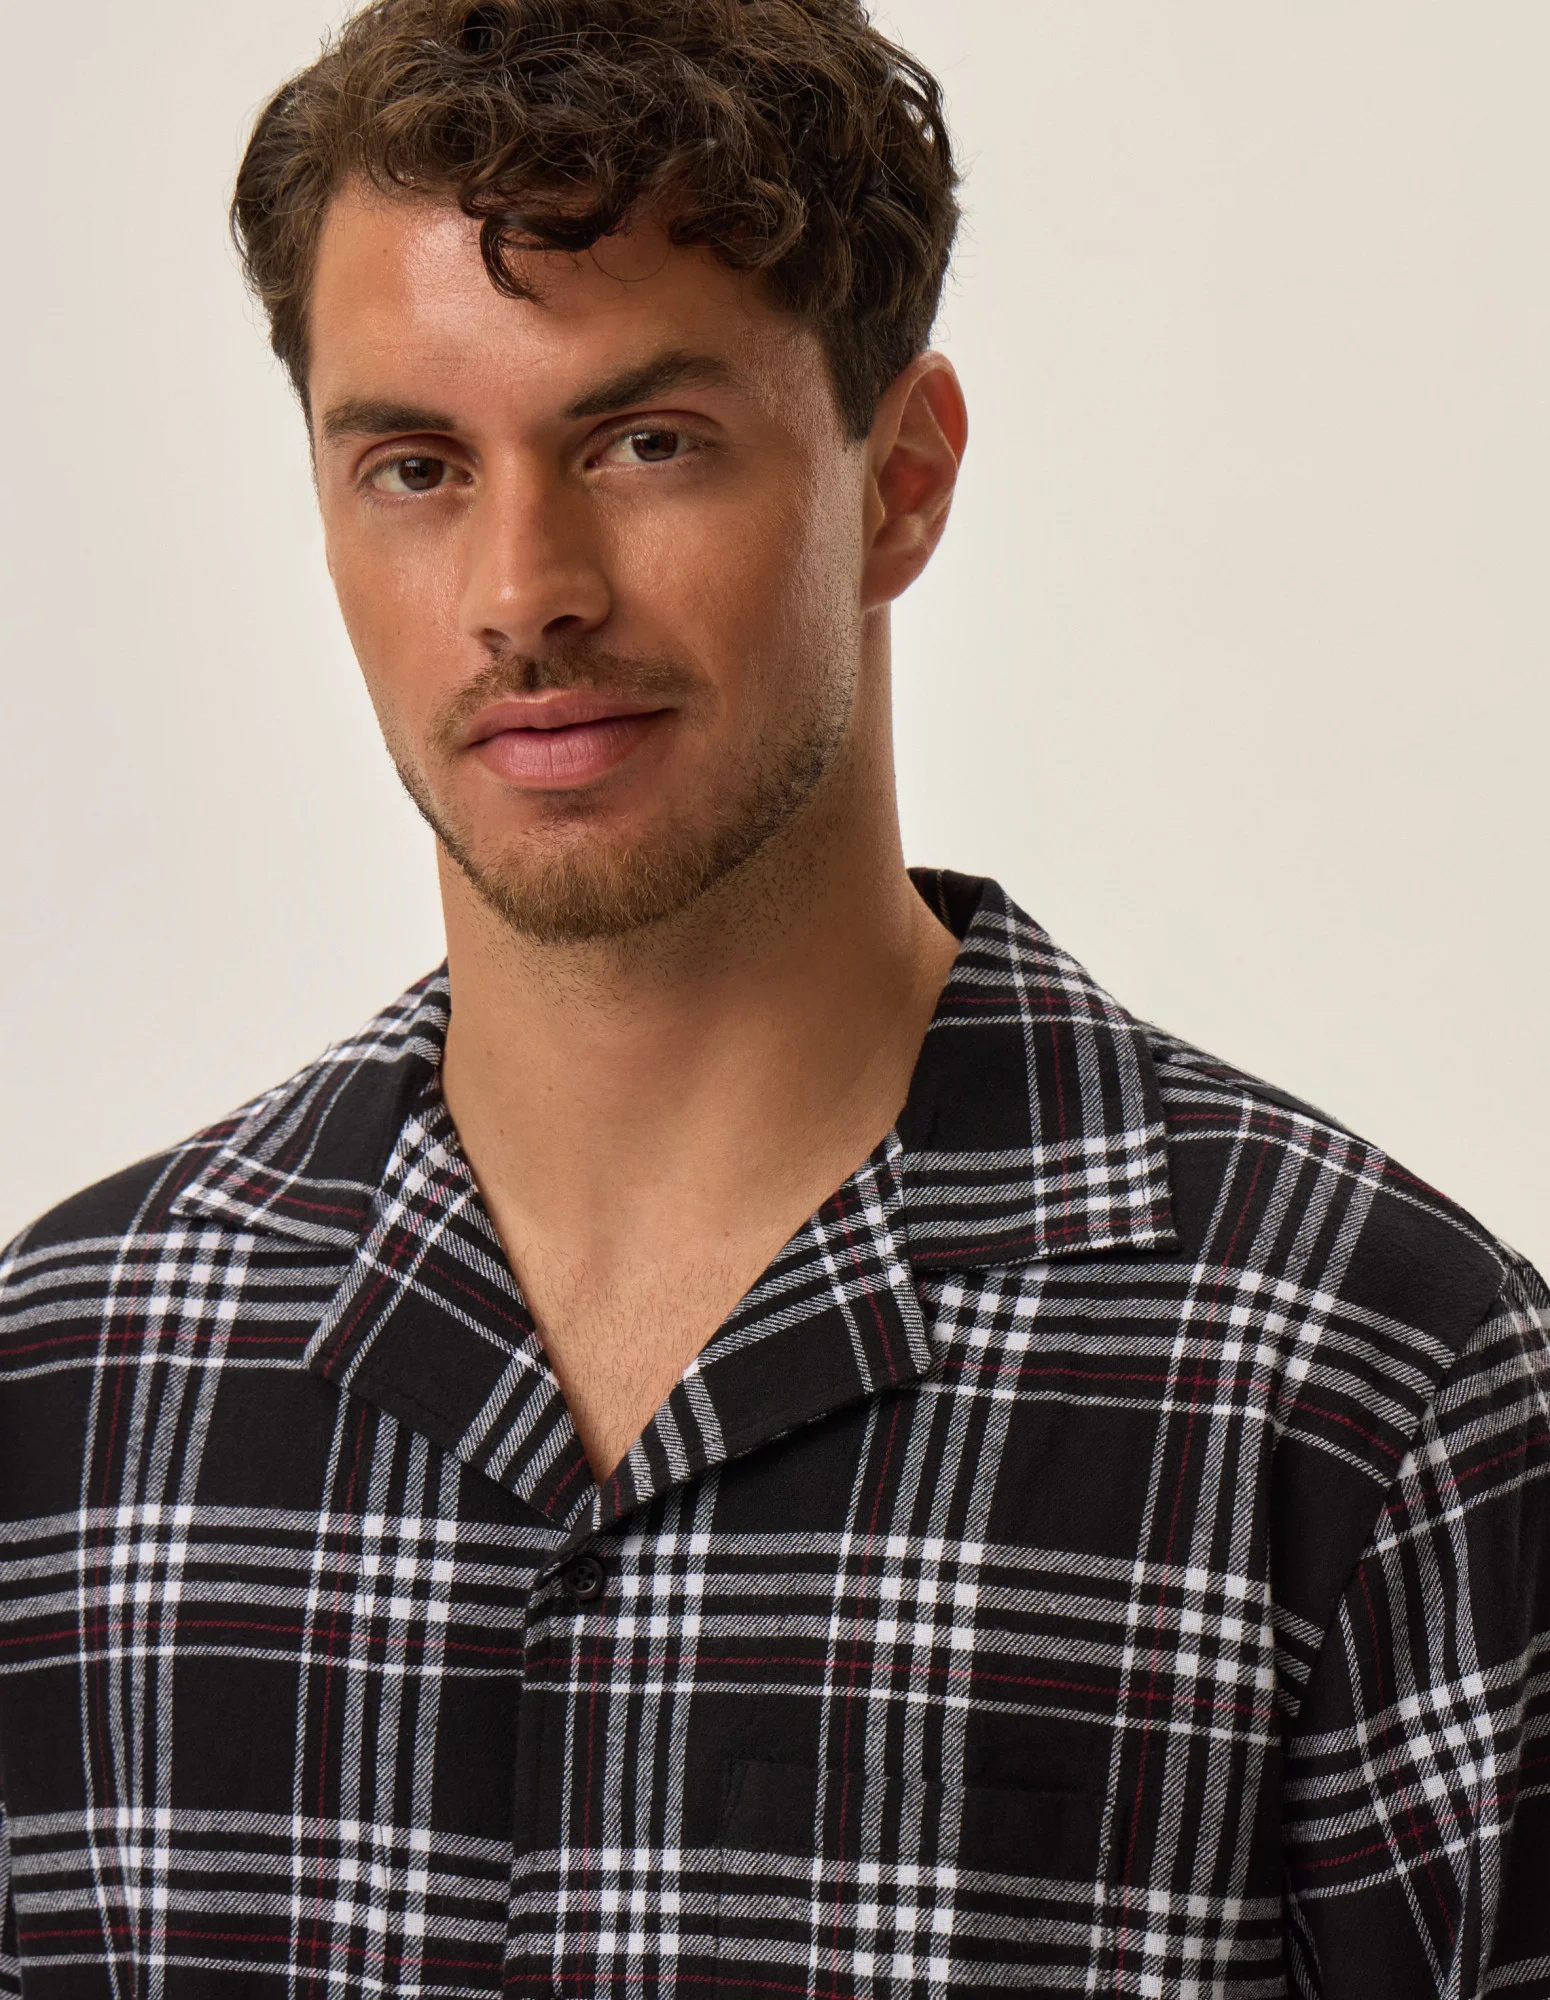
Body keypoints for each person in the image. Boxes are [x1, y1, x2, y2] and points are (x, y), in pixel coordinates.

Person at [0, 0, 1545, 1992]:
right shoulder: (70, 1386)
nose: (522, 590)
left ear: (900, 479)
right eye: (414, 465)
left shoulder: (1373, 1393)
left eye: (644, 443)